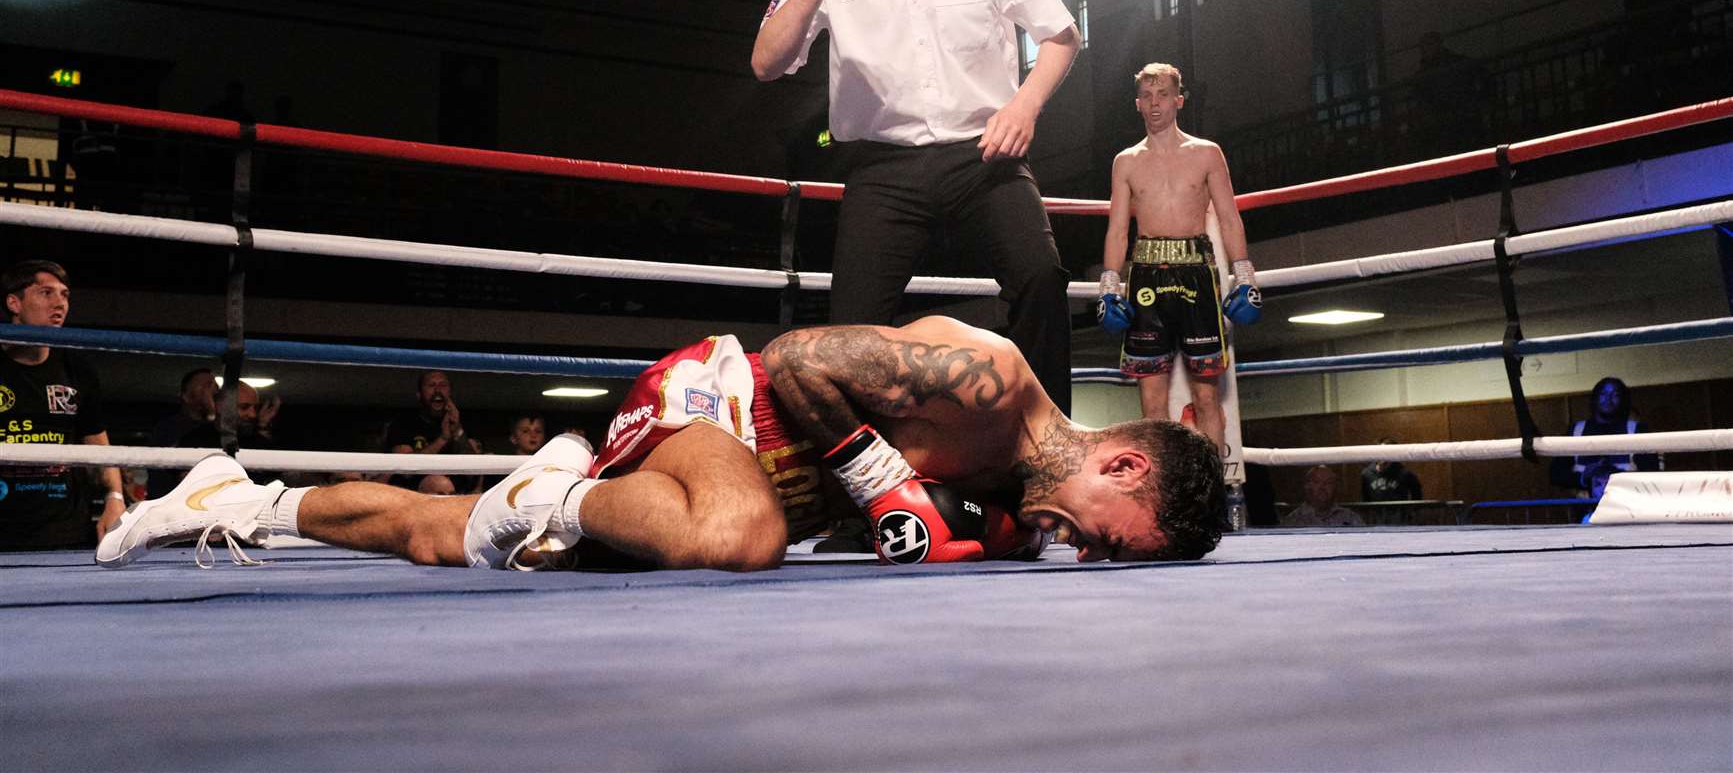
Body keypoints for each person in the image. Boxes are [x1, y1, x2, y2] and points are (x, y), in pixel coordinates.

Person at [98, 315, 1226, 572]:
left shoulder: (1019, 504)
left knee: (451, 539)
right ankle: (553, 482)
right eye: (1116, 541)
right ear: (1123, 464)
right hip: (719, 404)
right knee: (737, 539)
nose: (1087, 553)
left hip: (721, 485)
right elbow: (797, 360)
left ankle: (229, 502)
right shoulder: (985, 377)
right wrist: (880, 479)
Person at [751, 0, 1082, 416]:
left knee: (1041, 277)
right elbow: (766, 63)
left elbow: (1062, 36)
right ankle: (865, 488)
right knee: (849, 336)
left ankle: (1049, 457)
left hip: (982, 155)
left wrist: (1024, 105)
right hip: (883, 169)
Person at [1096, 63, 1259, 453]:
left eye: (1163, 95)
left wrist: (1245, 278)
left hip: (1197, 274)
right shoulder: (1126, 161)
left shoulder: (1206, 153)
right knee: (1152, 403)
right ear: (1137, 104)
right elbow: (1118, 229)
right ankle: (1165, 501)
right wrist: (1108, 287)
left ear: (1179, 100)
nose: (1155, 104)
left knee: (1206, 397)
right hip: (1146, 277)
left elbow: (1228, 217)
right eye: (1148, 97)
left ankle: (1210, 498)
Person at [0, 260, 124, 549]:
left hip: (63, 530)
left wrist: (114, 498)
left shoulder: (77, 369)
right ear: (14, 303)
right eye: (46, 293)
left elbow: (98, 444)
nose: (60, 303)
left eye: (65, 295)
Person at [148, 369, 280, 496]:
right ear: (220, 406)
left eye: (255, 407)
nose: (252, 414)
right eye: (244, 407)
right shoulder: (190, 438)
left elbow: (282, 478)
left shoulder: (258, 440)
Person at [1549, 377, 1661, 500]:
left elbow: (1651, 472)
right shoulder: (1576, 430)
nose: (1608, 400)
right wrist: (1584, 477)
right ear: (1595, 398)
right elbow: (1556, 474)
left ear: (1622, 399)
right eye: (1603, 394)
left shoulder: (1636, 430)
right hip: (1584, 508)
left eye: (1615, 395)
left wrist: (1613, 475)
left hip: (1628, 504)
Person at [384, 370, 481, 491]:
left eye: (443, 385)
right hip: (414, 497)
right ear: (419, 395)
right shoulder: (403, 422)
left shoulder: (462, 422)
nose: (437, 391)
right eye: (431, 385)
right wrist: (443, 439)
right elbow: (405, 470)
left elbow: (474, 472)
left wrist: (458, 431)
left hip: (455, 499)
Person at [1280, 465, 1364, 528]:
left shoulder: (1351, 519)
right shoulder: (1293, 521)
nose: (1322, 487)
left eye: (1328, 482)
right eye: (1316, 482)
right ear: (1307, 486)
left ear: (1335, 487)